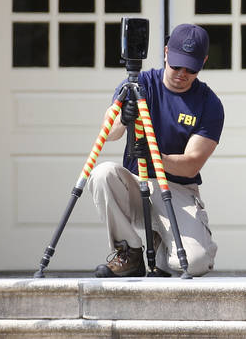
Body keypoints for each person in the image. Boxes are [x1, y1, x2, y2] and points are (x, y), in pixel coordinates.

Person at [86, 23, 224, 277]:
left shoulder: (209, 103)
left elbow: (192, 163)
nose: (182, 73)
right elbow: (110, 133)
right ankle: (130, 253)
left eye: (191, 68)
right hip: (136, 182)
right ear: (165, 53)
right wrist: (123, 118)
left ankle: (163, 252)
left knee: (194, 263)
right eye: (176, 65)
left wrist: (155, 157)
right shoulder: (140, 84)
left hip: (177, 188)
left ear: (203, 62)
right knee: (102, 173)